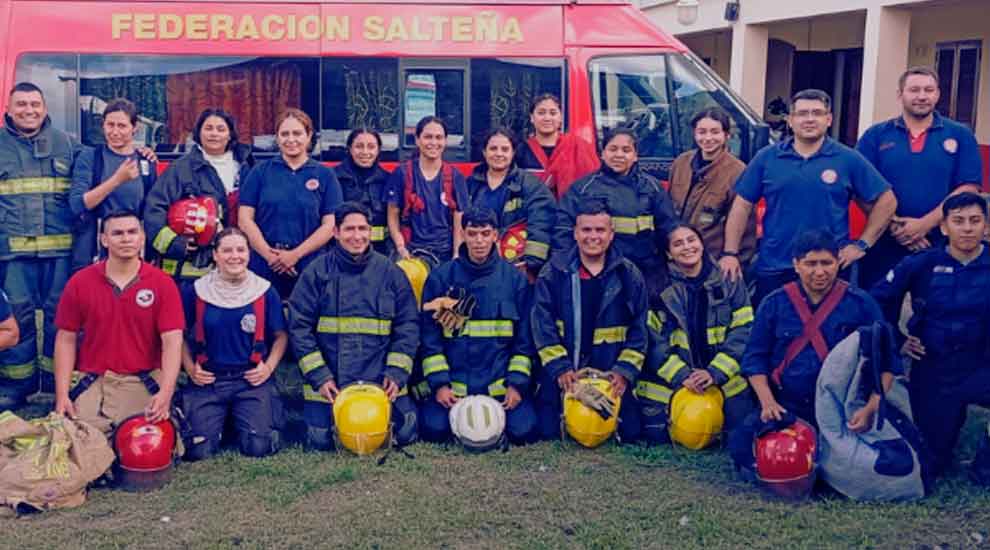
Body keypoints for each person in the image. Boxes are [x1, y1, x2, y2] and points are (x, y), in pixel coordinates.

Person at [720, 89, 897, 307]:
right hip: (776, 265)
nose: (810, 119)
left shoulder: (848, 159)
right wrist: (730, 253)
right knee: (776, 334)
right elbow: (741, 206)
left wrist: (862, 244)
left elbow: (887, 201)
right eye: (802, 113)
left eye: (817, 113)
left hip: (829, 268)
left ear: (829, 119)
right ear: (790, 120)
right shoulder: (766, 158)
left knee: (828, 337)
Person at [870, 192, 990, 478]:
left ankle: (985, 461)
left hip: (983, 363)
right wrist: (897, 340)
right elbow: (874, 300)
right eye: (958, 221)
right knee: (932, 461)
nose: (967, 227)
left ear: (986, 226)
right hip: (936, 366)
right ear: (944, 227)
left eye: (975, 220)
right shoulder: (921, 263)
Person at [288, 201, 419, 450]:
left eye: (362, 229)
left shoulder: (390, 273)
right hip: (331, 381)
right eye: (349, 229)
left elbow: (408, 325)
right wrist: (320, 377)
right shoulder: (317, 272)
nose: (356, 236)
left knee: (406, 430)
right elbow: (299, 328)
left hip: (380, 377)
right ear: (336, 233)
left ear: (371, 232)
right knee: (319, 440)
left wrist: (396, 372)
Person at [740, 229, 892, 427]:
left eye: (827, 263)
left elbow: (887, 363)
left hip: (845, 406)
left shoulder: (862, 304)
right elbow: (754, 359)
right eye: (811, 264)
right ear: (796, 265)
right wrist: (768, 403)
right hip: (786, 406)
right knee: (746, 448)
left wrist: (871, 408)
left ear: (838, 262)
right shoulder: (773, 304)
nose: (820, 272)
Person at [52, 211, 184, 436]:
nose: (126, 239)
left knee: (140, 444)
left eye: (132, 232)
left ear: (142, 237)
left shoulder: (163, 284)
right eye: (117, 233)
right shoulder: (80, 282)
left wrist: (166, 393)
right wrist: (62, 395)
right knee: (76, 440)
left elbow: (172, 342)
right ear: (104, 240)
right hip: (94, 380)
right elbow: (66, 339)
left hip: (141, 380)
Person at [856, 66, 983, 289]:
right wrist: (895, 226)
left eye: (928, 90)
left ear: (938, 94)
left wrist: (924, 225)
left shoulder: (960, 135)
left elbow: (969, 187)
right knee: (877, 313)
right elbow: (859, 186)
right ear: (900, 94)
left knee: (935, 315)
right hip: (883, 241)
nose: (922, 96)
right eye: (914, 90)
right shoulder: (875, 135)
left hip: (939, 242)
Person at [418, 207, 537, 444]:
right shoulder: (441, 279)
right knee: (433, 430)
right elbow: (430, 341)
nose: (479, 241)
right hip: (454, 388)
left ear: (496, 235)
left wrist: (516, 385)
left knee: (525, 432)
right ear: (462, 234)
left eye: (485, 233)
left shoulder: (516, 282)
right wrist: (440, 385)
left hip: (500, 388)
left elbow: (525, 343)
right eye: (472, 234)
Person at [532, 200, 646, 441]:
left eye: (600, 230)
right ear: (575, 233)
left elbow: (639, 329)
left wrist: (623, 371)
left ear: (611, 234)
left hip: (610, 375)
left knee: (632, 432)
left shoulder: (629, 275)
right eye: (586, 230)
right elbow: (542, 325)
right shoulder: (554, 272)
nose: (593, 237)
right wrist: (559, 368)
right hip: (567, 375)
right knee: (545, 430)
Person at [636, 223, 754, 444]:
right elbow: (652, 342)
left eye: (692, 240)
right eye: (678, 244)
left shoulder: (728, 278)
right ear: (669, 254)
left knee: (739, 434)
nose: (687, 247)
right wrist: (683, 376)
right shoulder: (656, 287)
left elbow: (744, 329)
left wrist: (715, 372)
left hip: (722, 375)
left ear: (702, 244)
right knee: (656, 433)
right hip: (674, 378)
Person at [180, 227, 288, 460]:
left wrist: (268, 368)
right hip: (209, 381)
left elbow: (281, 336)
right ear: (215, 255)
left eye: (241, 250)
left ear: (249, 254)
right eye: (227, 250)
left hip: (250, 380)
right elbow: (178, 335)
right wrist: (190, 368)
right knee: (197, 450)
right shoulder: (196, 291)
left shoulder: (265, 291)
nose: (235, 256)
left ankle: (240, 418)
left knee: (259, 447)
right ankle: (220, 422)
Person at [0, 82, 77, 407]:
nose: (29, 110)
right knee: (18, 318)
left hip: (60, 253)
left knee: (62, 318)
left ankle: (53, 384)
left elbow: (103, 165)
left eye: (35, 104)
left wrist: (142, 152)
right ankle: (17, 386)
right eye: (22, 105)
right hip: (11, 253)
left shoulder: (68, 145)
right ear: (9, 108)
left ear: (45, 108)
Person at [555, 128, 677, 297]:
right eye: (613, 149)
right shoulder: (583, 189)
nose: (619, 155)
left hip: (647, 274)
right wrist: (565, 268)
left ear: (635, 156)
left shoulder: (652, 188)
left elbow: (669, 228)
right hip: (598, 272)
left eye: (626, 150)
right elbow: (563, 229)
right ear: (602, 154)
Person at [239, 108, 341, 298]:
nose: (291, 139)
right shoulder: (260, 173)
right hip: (264, 264)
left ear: (309, 136)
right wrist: (271, 257)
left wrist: (295, 255)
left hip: (310, 264)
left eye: (297, 133)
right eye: (284, 134)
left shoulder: (326, 175)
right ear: (277, 138)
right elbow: (245, 220)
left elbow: (330, 225)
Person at [145, 108, 254, 282]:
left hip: (238, 265)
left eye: (221, 129)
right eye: (208, 128)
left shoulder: (247, 167)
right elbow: (154, 210)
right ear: (199, 133)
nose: (214, 134)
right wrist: (176, 244)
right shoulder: (181, 169)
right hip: (193, 271)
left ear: (230, 135)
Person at [69, 98, 156, 272]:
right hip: (95, 253)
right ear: (103, 125)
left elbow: (152, 210)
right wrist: (117, 179)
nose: (115, 131)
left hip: (133, 251)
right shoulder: (90, 157)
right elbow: (78, 204)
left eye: (122, 126)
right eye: (110, 125)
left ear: (135, 128)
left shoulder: (145, 160)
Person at [668, 107, 756, 265]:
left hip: (713, 261)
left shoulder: (738, 172)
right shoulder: (680, 163)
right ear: (695, 134)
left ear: (726, 135)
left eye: (715, 132)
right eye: (702, 132)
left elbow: (744, 225)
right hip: (677, 257)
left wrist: (732, 257)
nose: (708, 138)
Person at [466, 127, 555, 277]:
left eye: (505, 149)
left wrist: (530, 264)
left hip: (515, 265)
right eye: (493, 148)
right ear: (484, 152)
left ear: (513, 153)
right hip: (477, 265)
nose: (499, 154)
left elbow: (542, 223)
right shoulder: (470, 184)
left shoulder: (531, 186)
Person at [386, 116, 469, 264]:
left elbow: (459, 220)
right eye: (428, 137)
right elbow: (393, 215)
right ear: (417, 140)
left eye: (439, 138)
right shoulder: (402, 173)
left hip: (445, 253)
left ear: (445, 141)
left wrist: (457, 254)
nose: (433, 143)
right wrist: (401, 247)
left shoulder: (455, 176)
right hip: (411, 252)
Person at [515, 93, 600, 200]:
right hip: (533, 213)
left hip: (570, 212)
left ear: (560, 117)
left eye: (553, 113)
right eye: (541, 113)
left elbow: (594, 183)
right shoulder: (521, 150)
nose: (547, 118)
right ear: (532, 117)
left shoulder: (579, 146)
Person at [333, 128, 392, 256]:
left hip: (381, 251)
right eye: (359, 146)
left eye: (371, 147)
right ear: (349, 148)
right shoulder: (334, 178)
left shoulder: (389, 180)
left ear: (378, 150)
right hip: (342, 251)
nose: (365, 152)